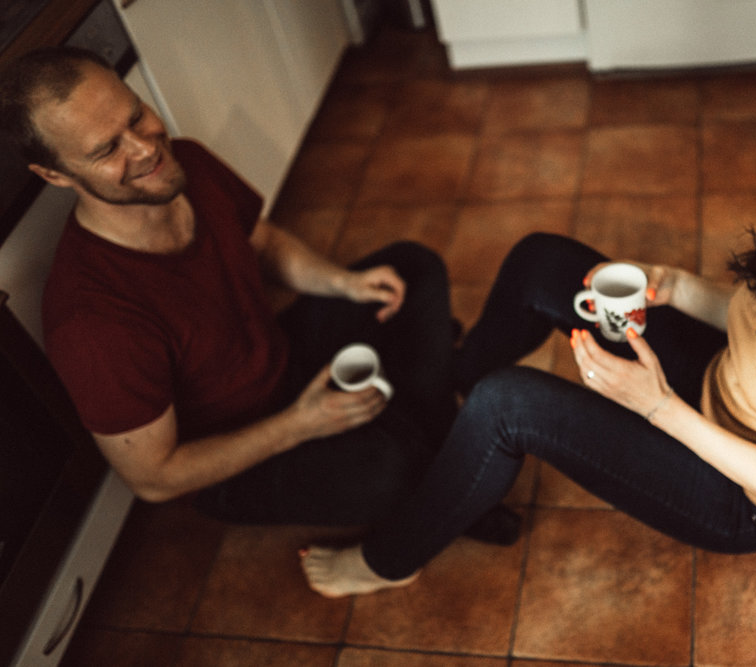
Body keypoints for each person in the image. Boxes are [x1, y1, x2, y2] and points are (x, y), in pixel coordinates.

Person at [298, 60, 756, 597]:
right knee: (541, 261)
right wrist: (676, 285)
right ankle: (445, 417)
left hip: (739, 492)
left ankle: (390, 559)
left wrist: (659, 408)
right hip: (716, 378)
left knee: (508, 403)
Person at [0, 46, 517, 540]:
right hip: (232, 454)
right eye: (107, 149)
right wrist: (299, 425)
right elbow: (154, 478)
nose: (145, 147)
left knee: (410, 268)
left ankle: (436, 439)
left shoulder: (187, 167)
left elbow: (264, 243)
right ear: (53, 174)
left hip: (281, 358)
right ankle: (437, 460)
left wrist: (346, 283)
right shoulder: (91, 324)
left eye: (135, 115)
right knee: (390, 464)